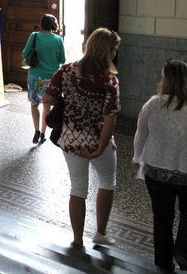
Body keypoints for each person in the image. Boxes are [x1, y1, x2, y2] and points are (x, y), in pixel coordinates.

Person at [42, 28, 121, 247]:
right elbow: (110, 120)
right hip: (98, 140)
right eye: (114, 50)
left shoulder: (67, 71)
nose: (115, 54)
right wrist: (99, 148)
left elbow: (47, 97)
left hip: (71, 139)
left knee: (77, 188)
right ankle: (101, 233)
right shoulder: (109, 81)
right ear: (107, 51)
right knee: (107, 182)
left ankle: (77, 240)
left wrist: (62, 112)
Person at [133, 59, 187, 271]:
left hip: (156, 171)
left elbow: (140, 136)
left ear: (165, 78)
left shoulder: (153, 104)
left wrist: (138, 158)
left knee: (162, 218)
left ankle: (163, 262)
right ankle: (182, 250)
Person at [22, 14, 65, 144]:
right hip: (50, 78)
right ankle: (42, 134)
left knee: (34, 104)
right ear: (54, 25)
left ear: (42, 24)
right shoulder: (58, 39)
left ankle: (35, 131)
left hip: (35, 76)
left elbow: (25, 54)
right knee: (46, 106)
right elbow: (62, 60)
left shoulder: (34, 36)